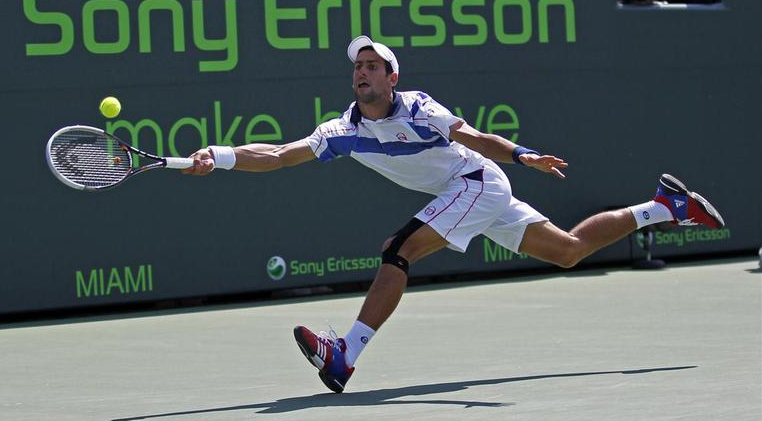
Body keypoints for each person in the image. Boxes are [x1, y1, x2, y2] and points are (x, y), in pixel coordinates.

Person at [183, 35, 725, 393]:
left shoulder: (419, 108)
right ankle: (665, 206)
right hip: (470, 195)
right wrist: (222, 156)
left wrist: (521, 154)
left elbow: (472, 136)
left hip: (477, 181)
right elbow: (280, 154)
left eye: (373, 66)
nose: (362, 73)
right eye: (358, 67)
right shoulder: (342, 129)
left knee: (400, 249)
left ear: (392, 78)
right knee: (567, 251)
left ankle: (344, 355)